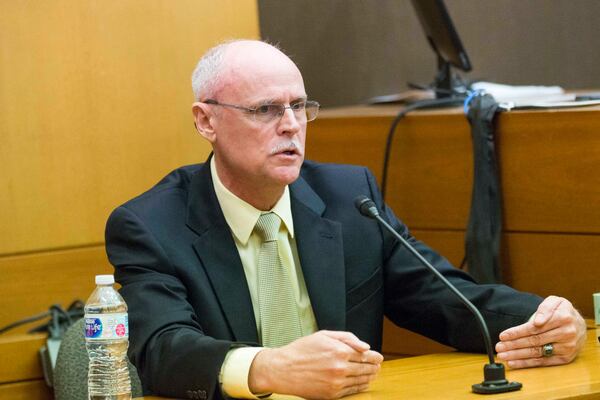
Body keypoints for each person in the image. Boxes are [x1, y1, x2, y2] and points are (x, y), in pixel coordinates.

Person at [105, 40, 587, 400]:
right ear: (206, 121)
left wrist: (546, 322)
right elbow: (162, 349)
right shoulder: (150, 225)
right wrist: (269, 369)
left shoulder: (349, 197)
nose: (291, 125)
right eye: (265, 110)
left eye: (299, 106)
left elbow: (446, 298)